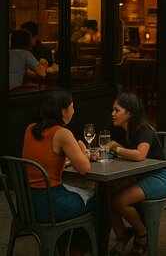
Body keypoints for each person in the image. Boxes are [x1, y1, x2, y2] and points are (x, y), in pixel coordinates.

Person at [22, 89, 98, 255]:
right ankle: (78, 252)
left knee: (76, 196)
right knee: (98, 202)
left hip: (27, 203)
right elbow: (84, 168)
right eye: (72, 107)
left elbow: (45, 159)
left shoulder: (30, 129)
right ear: (63, 111)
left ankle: (62, 249)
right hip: (50, 204)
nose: (74, 111)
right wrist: (83, 149)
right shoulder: (62, 133)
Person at [107, 93, 166, 256]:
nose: (113, 113)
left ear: (129, 113)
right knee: (107, 191)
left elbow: (139, 155)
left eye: (117, 110)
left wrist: (116, 149)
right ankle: (122, 236)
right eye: (113, 110)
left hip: (160, 178)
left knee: (119, 200)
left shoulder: (144, 129)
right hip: (140, 176)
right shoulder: (122, 131)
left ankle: (142, 233)